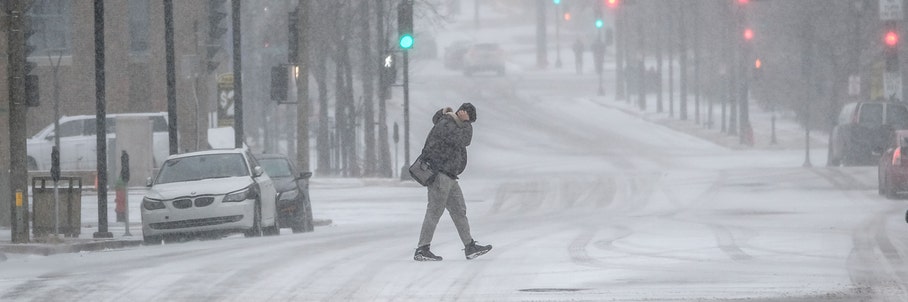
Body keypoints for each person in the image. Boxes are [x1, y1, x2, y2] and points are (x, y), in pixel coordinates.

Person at [414, 102, 492, 261]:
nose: (469, 124)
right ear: (463, 115)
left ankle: (470, 247)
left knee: (459, 211)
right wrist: (465, 123)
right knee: (434, 211)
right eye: (470, 120)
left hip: (449, 176)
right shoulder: (447, 124)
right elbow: (465, 140)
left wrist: (463, 123)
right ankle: (422, 249)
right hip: (440, 175)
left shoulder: (450, 124)